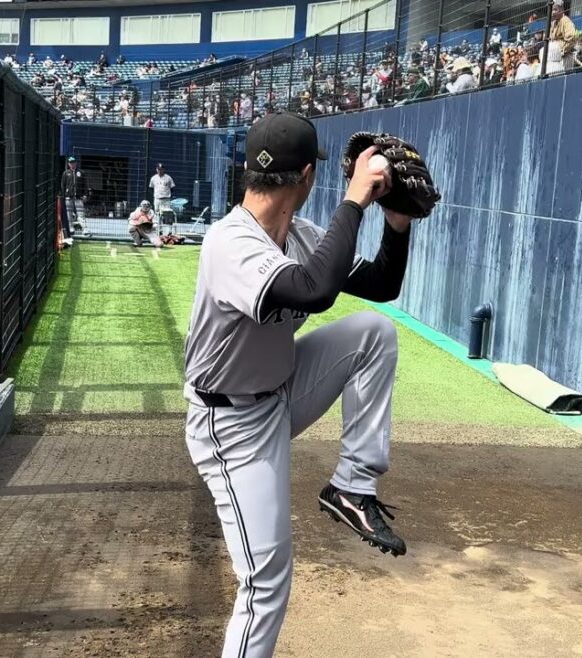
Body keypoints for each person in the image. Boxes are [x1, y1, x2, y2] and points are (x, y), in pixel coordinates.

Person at [183, 112, 415, 658]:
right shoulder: (229, 242)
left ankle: (352, 488)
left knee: (372, 333)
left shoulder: (303, 235)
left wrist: (397, 222)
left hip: (281, 391)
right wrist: (355, 200)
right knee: (265, 584)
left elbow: (381, 285)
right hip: (230, 425)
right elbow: (313, 290)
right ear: (308, 177)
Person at [60, 156, 87, 246]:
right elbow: (63, 185)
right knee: (69, 214)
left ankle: (84, 229)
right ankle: (71, 228)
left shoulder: (81, 172)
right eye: (70, 162)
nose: (72, 164)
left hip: (78, 197)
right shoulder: (66, 173)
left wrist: (85, 194)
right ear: (68, 164)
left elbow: (85, 184)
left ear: (76, 163)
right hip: (68, 197)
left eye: (73, 162)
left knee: (81, 213)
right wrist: (64, 195)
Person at [551, 1, 581, 70]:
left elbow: (572, 37)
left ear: (562, 10)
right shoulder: (554, 23)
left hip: (565, 57)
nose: (553, 12)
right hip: (555, 57)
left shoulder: (566, 21)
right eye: (552, 10)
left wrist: (562, 50)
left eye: (555, 10)